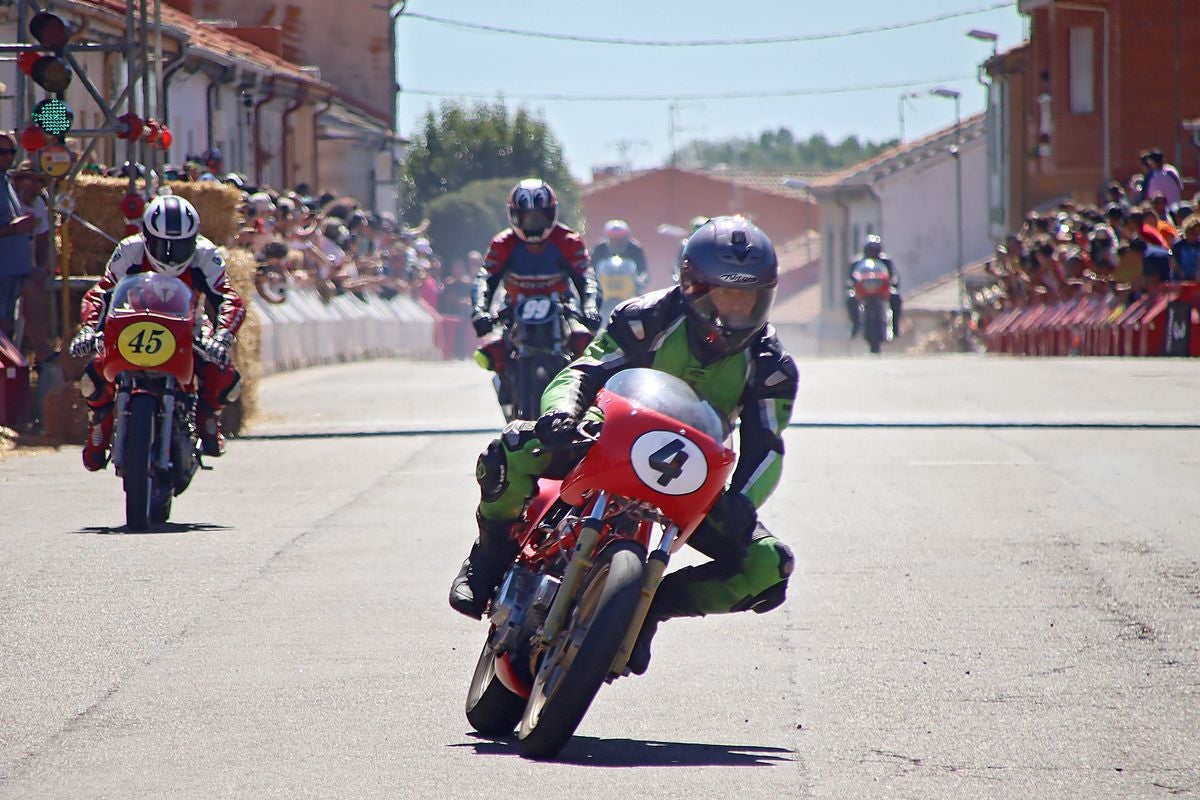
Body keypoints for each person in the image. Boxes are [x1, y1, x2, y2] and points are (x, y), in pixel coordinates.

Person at [450, 216, 797, 676]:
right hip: (604, 438)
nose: (734, 311)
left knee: (769, 567)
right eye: (725, 295)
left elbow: (767, 446)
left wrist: (743, 503)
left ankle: (649, 609)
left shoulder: (773, 367)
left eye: (747, 298)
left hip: (689, 473)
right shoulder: (645, 317)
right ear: (693, 287)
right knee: (510, 449)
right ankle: (488, 554)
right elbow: (583, 370)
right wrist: (561, 415)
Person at [69, 195, 246, 471]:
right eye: (163, 245)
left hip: (188, 326)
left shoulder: (206, 254)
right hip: (133, 323)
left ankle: (208, 417)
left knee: (225, 375)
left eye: (179, 245)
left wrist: (222, 335)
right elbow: (101, 292)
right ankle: (99, 425)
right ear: (147, 236)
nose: (170, 254)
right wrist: (90, 328)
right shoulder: (130, 251)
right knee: (95, 373)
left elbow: (228, 298)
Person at [471, 178, 601, 407]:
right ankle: (505, 388)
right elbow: (485, 278)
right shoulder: (502, 243)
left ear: (552, 214)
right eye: (527, 217)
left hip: (562, 308)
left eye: (539, 216)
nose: (533, 223)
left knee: (587, 345)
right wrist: (480, 311)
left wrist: (590, 308)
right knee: (491, 352)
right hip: (513, 308)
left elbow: (586, 278)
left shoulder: (568, 240)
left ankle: (585, 398)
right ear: (514, 216)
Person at [9, 161, 53, 363]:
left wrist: (41, 267)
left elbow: (43, 242)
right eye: (29, 178)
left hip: (20, 265)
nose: (33, 185)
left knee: (33, 287)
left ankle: (41, 351)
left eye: (38, 182)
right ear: (17, 181)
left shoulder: (39, 205)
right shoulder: (7, 201)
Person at [0, 134, 38, 342]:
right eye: (1, 152)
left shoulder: (6, 181)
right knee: (3, 326)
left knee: (10, 325)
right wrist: (14, 228)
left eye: (11, 152)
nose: (7, 157)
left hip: (14, 270)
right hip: (2, 270)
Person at [846, 234, 902, 337]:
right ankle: (856, 324)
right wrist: (851, 284)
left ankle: (895, 327)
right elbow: (851, 277)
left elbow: (893, 275)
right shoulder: (857, 262)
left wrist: (894, 282)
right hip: (864, 291)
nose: (872, 253)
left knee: (896, 297)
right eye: (870, 250)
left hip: (881, 290)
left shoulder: (886, 261)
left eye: (875, 250)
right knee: (850, 299)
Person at [591, 219, 649, 289]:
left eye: (620, 239)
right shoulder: (599, 248)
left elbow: (643, 270)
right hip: (604, 288)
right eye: (613, 239)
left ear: (626, 238)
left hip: (629, 288)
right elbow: (591, 268)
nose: (617, 242)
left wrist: (641, 280)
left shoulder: (635, 249)